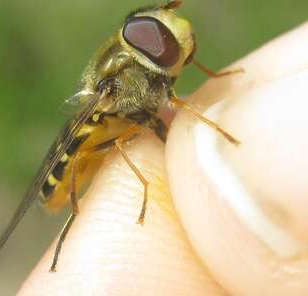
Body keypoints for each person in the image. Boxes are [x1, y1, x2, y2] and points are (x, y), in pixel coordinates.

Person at [19, 23, 308, 296]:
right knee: (92, 148)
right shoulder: (121, 81)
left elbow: (169, 96)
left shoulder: (148, 72)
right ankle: (74, 221)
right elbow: (126, 136)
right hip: (90, 137)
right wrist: (146, 184)